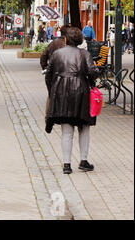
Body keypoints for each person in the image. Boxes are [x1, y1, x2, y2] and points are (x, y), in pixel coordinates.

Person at [45, 27, 99, 174]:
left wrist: (53, 91)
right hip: (81, 93)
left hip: (62, 94)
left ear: (66, 39)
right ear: (80, 40)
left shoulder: (57, 54)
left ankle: (66, 164)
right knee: (84, 128)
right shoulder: (84, 54)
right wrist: (94, 75)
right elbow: (93, 71)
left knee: (66, 131)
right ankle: (83, 160)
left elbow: (48, 75)